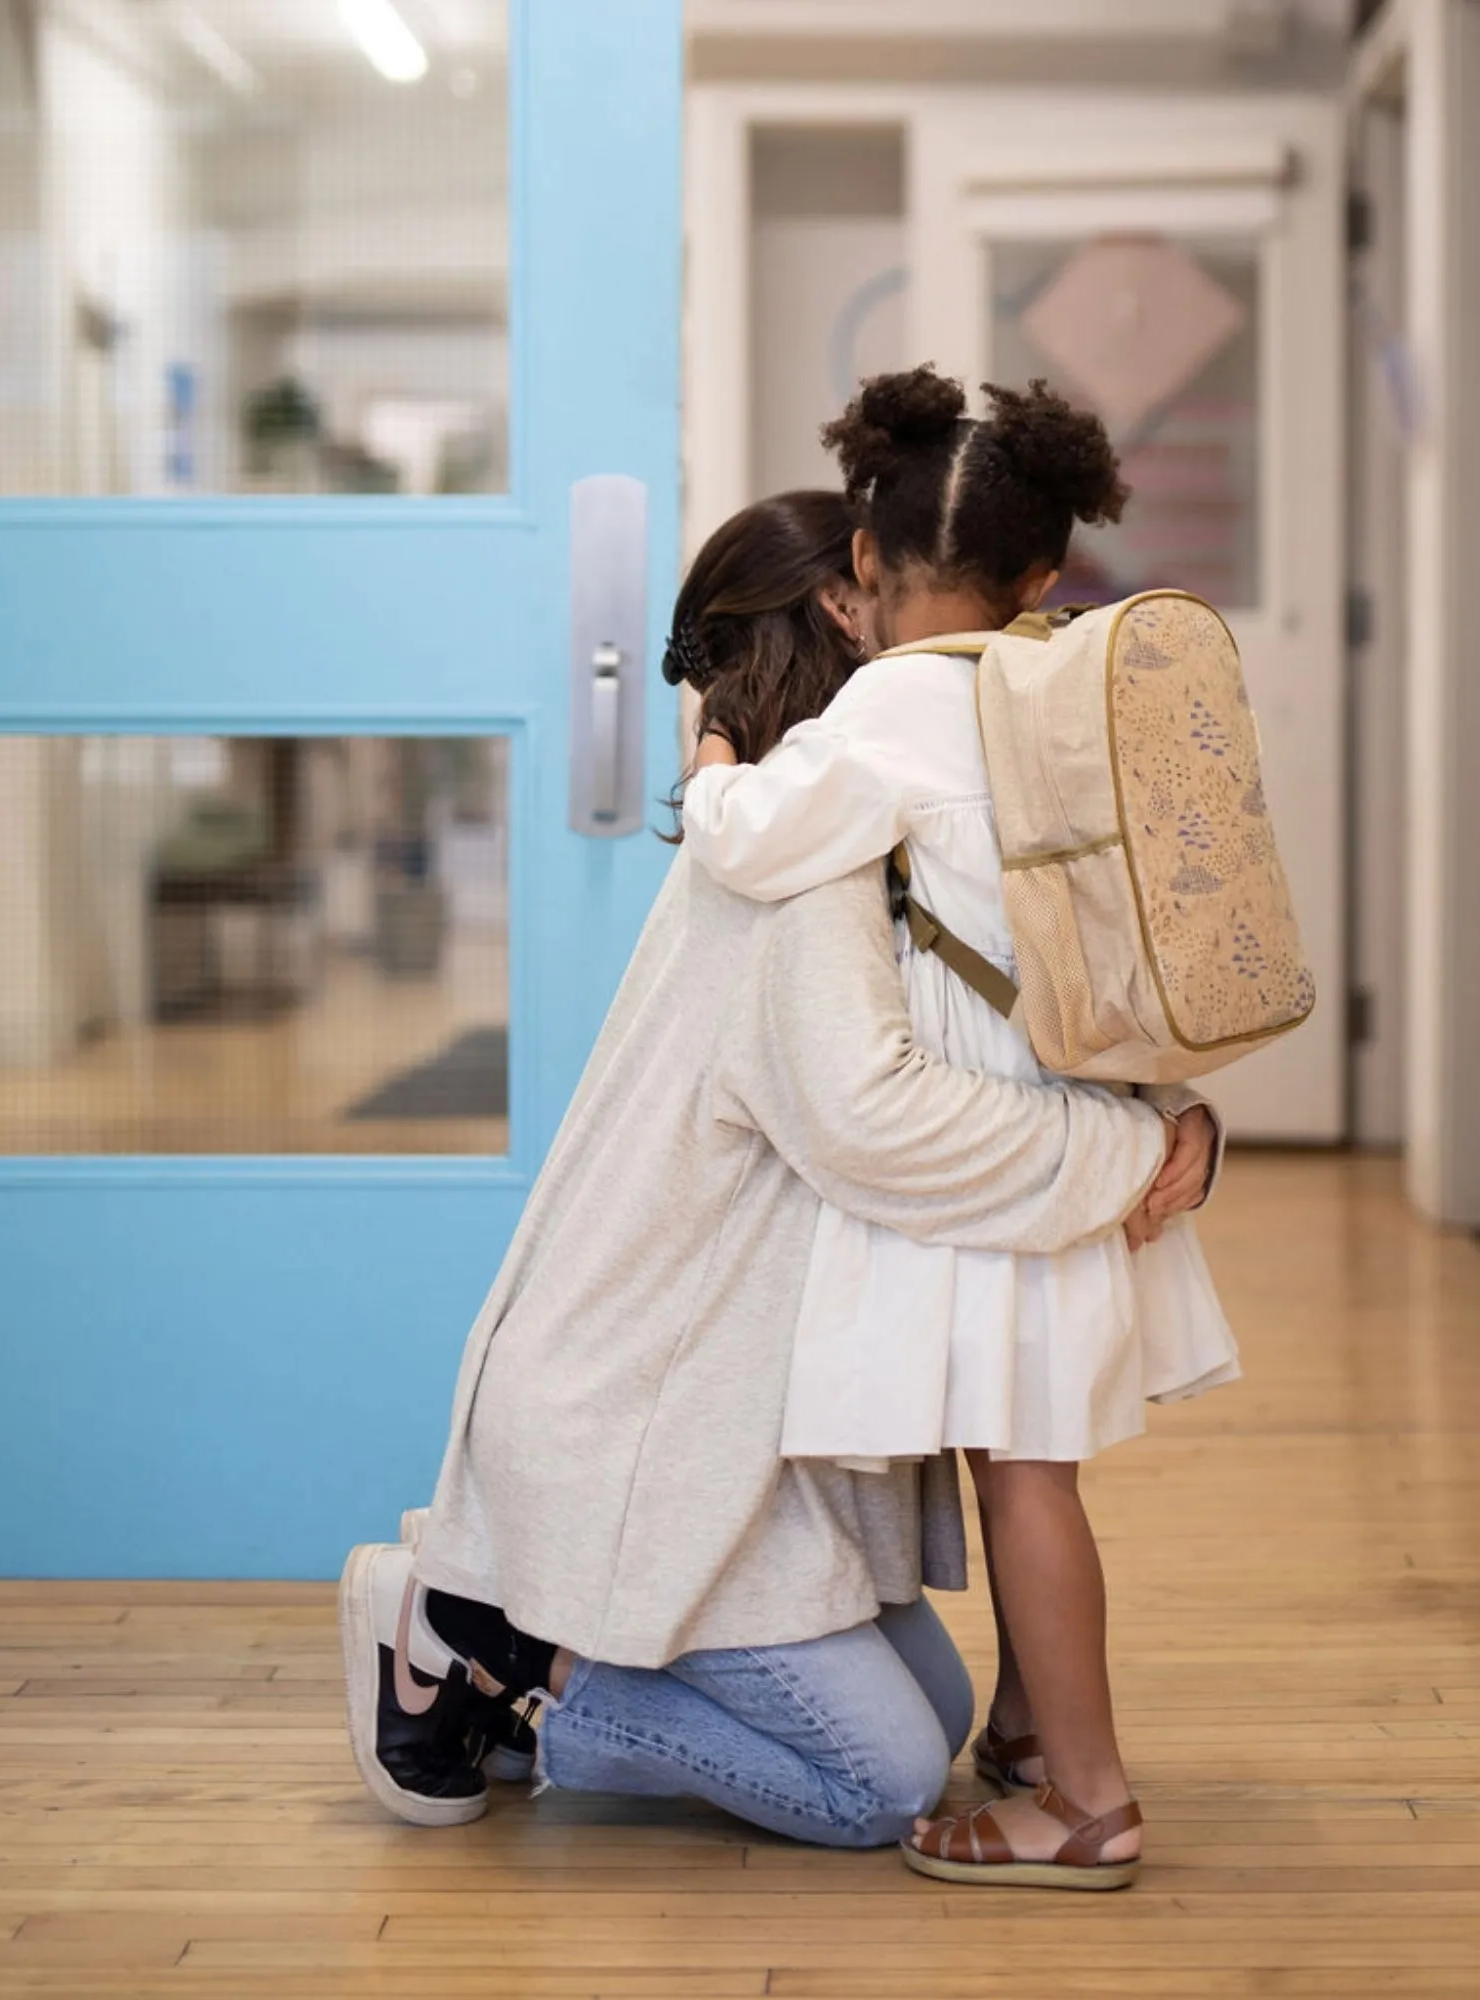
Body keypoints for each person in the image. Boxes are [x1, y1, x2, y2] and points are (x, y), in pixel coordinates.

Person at [339, 490, 1222, 1853]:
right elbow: (873, 1117)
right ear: (850, 619)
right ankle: (487, 1645)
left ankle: (522, 1628)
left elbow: (1005, 1014)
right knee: (876, 1783)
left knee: (923, 1716)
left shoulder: (830, 838)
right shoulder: (799, 882)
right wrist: (1126, 1150)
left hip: (747, 1435)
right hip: (655, 1429)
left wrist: (1172, 1112)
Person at [680, 369, 1239, 1888]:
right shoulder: (1065, 687)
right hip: (1088, 1105)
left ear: (862, 566)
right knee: (1032, 1461)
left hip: (996, 1138)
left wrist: (715, 757)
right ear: (1046, 576)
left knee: (1020, 1474)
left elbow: (750, 846)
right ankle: (1031, 1735)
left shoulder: (897, 710)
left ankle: (1089, 1805)